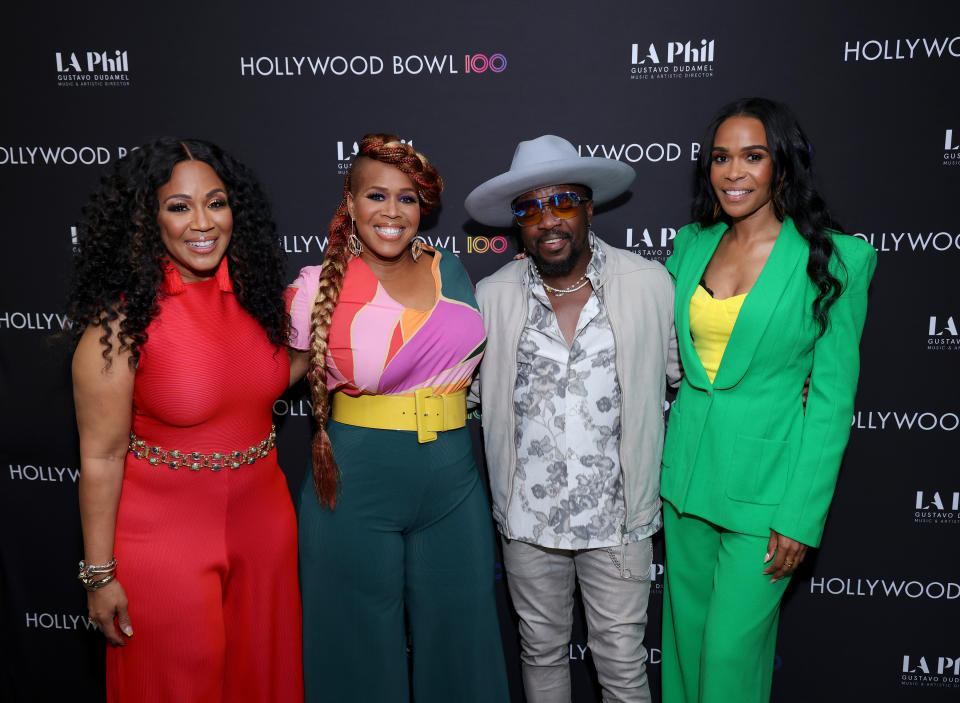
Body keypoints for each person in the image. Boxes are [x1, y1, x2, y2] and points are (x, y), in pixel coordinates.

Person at [69, 138, 303, 703]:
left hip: (266, 531)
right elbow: (100, 457)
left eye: (215, 203)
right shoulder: (119, 328)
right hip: (164, 541)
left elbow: (253, 382)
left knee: (263, 684)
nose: (202, 222)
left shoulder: (257, 301)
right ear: (148, 220)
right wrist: (100, 576)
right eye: (179, 206)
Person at [659, 97, 877, 703]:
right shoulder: (691, 245)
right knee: (683, 652)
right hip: (685, 482)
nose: (733, 173)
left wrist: (801, 516)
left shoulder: (834, 260)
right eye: (720, 158)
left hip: (769, 495)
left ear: (782, 164)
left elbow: (832, 401)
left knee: (729, 661)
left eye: (752, 157)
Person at [286, 133, 509, 702]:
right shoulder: (314, 289)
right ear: (350, 203)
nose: (391, 212)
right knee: (352, 648)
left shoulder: (452, 271)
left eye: (407, 198)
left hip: (453, 481)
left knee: (466, 643)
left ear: (422, 208)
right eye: (376, 196)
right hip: (353, 481)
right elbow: (261, 379)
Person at [464, 134, 681, 703]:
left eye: (561, 201)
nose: (547, 219)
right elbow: (458, 393)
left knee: (622, 666)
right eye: (529, 208)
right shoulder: (492, 297)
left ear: (588, 206)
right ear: (517, 224)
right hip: (528, 521)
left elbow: (691, 380)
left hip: (620, 523)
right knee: (539, 654)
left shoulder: (651, 285)